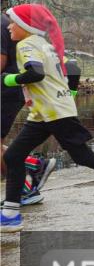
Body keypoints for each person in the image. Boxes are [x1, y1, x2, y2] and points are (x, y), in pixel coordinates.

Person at [1, 4, 94, 232]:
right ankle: (10, 214)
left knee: (83, 156)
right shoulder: (44, 44)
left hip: (55, 112)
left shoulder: (26, 44)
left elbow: (35, 73)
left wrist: (7, 80)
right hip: (46, 112)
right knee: (13, 156)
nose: (9, 26)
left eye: (13, 21)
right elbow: (69, 69)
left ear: (25, 26)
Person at [1, 11, 57, 205]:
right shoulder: (8, 24)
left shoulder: (2, 24)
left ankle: (26, 186)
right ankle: (33, 165)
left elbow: (1, 62)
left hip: (5, 91)